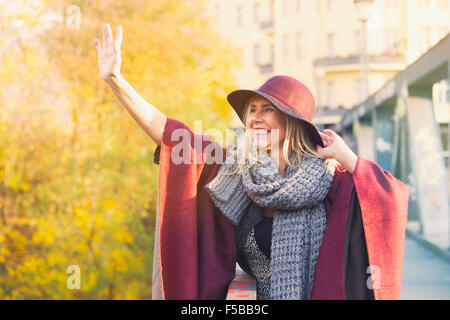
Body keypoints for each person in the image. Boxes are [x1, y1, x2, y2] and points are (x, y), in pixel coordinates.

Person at [94, 24, 409, 300]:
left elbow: (389, 198)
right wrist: (116, 81)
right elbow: (175, 139)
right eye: (252, 110)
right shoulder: (238, 173)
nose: (255, 117)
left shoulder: (331, 180)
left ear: (293, 122)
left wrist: (346, 156)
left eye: (267, 110)